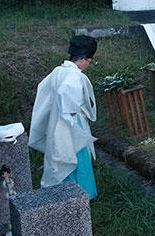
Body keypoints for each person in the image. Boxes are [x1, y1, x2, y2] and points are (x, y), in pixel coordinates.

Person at [29, 35, 99, 199]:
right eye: (90, 61)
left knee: (60, 155)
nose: (88, 65)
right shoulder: (73, 75)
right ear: (84, 59)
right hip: (70, 122)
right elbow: (64, 93)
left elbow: (45, 90)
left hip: (57, 121)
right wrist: (71, 116)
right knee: (75, 157)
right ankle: (82, 196)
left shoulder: (58, 71)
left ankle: (63, 195)